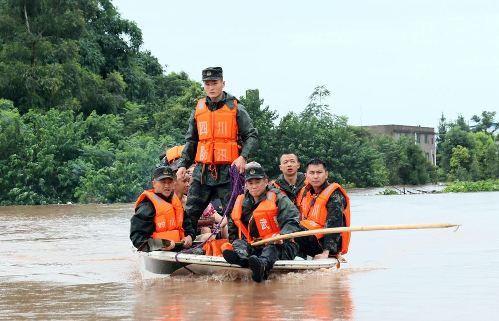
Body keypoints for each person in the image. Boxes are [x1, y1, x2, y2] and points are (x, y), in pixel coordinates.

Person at [176, 66, 258, 243]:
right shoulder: (198, 109)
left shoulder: (236, 108)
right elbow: (191, 140)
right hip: (203, 172)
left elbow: (251, 135)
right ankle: (185, 240)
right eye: (207, 84)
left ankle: (238, 246)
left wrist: (243, 156)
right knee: (190, 210)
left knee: (234, 212)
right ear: (204, 86)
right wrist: (183, 163)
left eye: (215, 83)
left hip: (228, 172)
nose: (211, 87)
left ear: (223, 83)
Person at [222, 162, 301, 282]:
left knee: (271, 248)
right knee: (238, 243)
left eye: (257, 182)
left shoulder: (279, 198)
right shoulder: (242, 201)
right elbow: (233, 226)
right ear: (246, 185)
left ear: (266, 181)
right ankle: (242, 259)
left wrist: (282, 236)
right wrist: (235, 242)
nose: (254, 186)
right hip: (255, 244)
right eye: (250, 183)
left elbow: (293, 219)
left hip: (281, 244)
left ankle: (262, 267)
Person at [295, 158, 351, 259]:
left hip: (324, 243)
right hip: (307, 236)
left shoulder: (334, 194)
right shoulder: (304, 192)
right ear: (306, 175)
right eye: (311, 173)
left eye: (319, 172)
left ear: (326, 174)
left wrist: (326, 252)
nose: (315, 176)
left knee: (295, 230)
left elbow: (334, 224)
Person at [130, 165, 193, 252]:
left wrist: (190, 236)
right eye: (163, 182)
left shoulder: (176, 203)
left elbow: (188, 226)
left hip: (179, 248)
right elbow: (137, 239)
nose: (167, 185)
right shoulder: (147, 206)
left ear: (174, 184)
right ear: (154, 184)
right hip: (159, 251)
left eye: (170, 182)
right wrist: (162, 244)